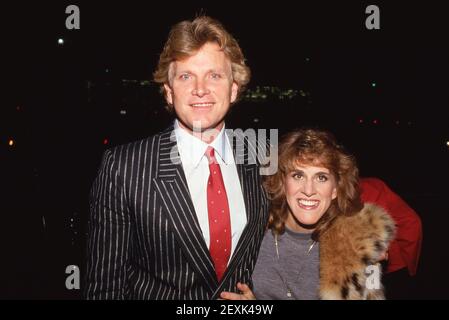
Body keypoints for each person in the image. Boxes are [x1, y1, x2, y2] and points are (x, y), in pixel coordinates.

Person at [84, 16, 269, 299]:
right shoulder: (123, 169)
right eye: (186, 76)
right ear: (169, 92)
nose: (200, 89)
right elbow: (105, 288)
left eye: (214, 75)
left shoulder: (262, 158)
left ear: (234, 89)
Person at [221, 129, 396, 300]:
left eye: (321, 178)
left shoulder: (357, 247)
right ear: (283, 182)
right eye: (298, 175)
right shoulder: (253, 230)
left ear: (335, 189)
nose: (309, 190)